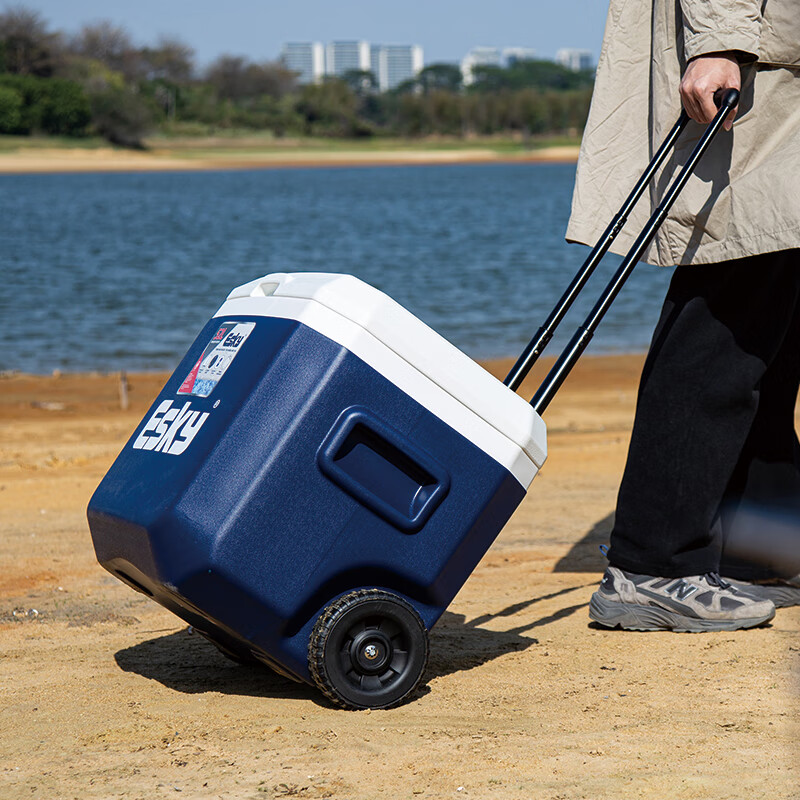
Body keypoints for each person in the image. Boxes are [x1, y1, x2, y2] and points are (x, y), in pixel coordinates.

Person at [566, 0, 800, 631]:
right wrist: (718, 40)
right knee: (734, 296)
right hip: (756, 67)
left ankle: (763, 544)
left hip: (777, 65)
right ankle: (653, 564)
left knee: (776, 318)